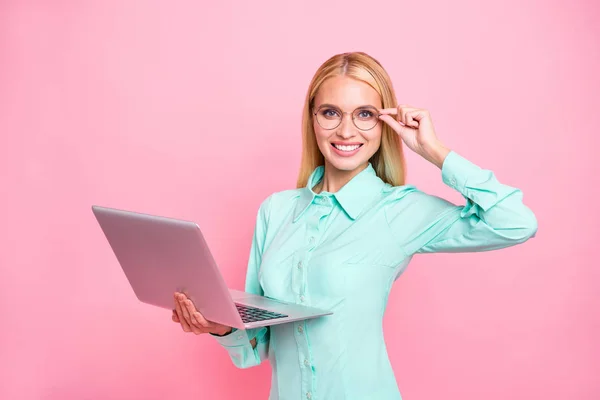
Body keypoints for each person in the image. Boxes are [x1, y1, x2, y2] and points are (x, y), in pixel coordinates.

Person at [171, 52, 538, 400]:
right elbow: (256, 347)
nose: (346, 130)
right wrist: (218, 326)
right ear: (312, 119)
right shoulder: (276, 210)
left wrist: (433, 151)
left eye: (364, 114)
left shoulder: (399, 211)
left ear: (384, 123)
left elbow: (515, 223)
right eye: (331, 112)